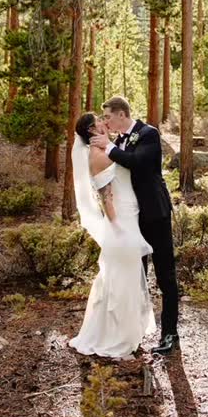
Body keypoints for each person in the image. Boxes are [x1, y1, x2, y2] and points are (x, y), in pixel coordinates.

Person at [91, 95, 179, 356]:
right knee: (136, 278)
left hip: (156, 214)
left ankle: (170, 334)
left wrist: (107, 147)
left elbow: (138, 163)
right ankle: (134, 331)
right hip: (133, 220)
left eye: (107, 116)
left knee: (165, 275)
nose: (106, 121)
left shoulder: (148, 133)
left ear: (121, 114)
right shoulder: (120, 141)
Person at [68, 111, 155, 359]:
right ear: (92, 131)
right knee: (121, 282)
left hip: (130, 218)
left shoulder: (107, 148)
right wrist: (117, 228)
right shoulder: (97, 155)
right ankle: (116, 338)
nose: (104, 122)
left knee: (123, 280)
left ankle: (126, 335)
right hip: (121, 224)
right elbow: (106, 196)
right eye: (99, 121)